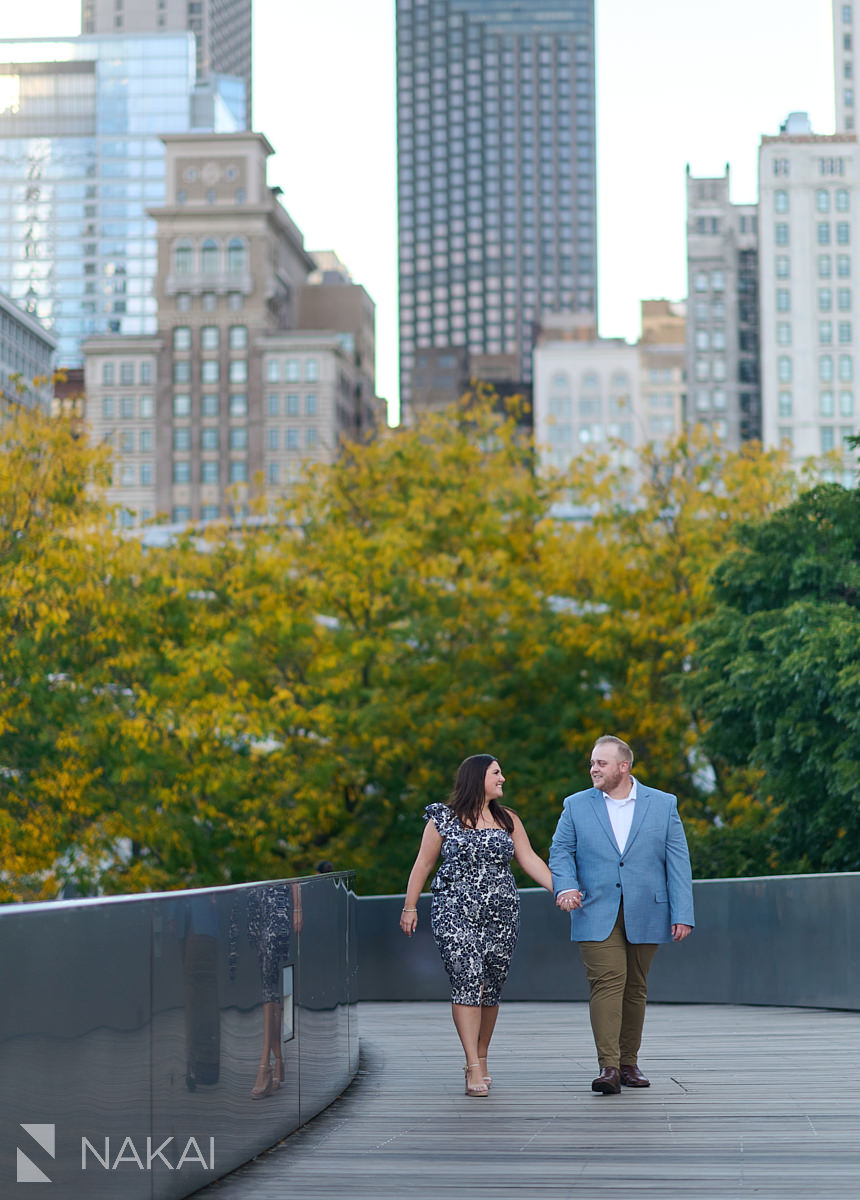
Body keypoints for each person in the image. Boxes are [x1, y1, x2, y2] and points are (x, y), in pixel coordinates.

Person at [400, 754, 553, 1098]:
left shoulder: (507, 819)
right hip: (453, 910)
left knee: (491, 986)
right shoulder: (443, 819)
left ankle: (482, 1058)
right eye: (497, 773)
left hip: (501, 914)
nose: (503, 778)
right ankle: (471, 1065)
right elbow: (423, 863)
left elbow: (529, 859)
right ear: (477, 776)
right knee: (468, 978)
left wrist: (564, 890)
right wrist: (410, 906)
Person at [549, 735, 694, 1095]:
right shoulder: (575, 805)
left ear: (623, 767)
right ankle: (608, 1067)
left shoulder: (663, 804)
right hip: (594, 908)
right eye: (592, 763)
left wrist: (683, 912)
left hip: (649, 910)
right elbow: (560, 852)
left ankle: (629, 1063)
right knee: (608, 981)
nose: (593, 769)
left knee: (636, 987)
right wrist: (565, 885)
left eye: (601, 763)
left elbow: (678, 861)